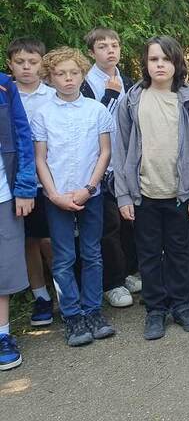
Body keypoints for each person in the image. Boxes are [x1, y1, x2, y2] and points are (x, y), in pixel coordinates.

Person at [114, 36, 189, 341]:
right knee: (149, 255)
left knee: (179, 253)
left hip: (179, 194)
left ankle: (181, 306)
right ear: (145, 63)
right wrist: (123, 195)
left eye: (166, 59)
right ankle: (155, 310)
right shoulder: (132, 100)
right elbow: (120, 149)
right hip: (144, 194)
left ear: (177, 63)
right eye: (154, 59)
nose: (160, 65)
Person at [32, 47, 116, 347]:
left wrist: (89, 188)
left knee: (92, 253)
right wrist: (54, 195)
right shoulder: (43, 114)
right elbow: (40, 158)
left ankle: (93, 310)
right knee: (64, 257)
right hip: (57, 196)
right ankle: (72, 315)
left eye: (74, 72)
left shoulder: (96, 110)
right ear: (50, 77)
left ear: (82, 74)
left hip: (90, 194)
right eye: (60, 74)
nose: (68, 79)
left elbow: (104, 152)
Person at [80, 27, 140, 309]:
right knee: (108, 226)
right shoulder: (84, 83)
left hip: (126, 164)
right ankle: (111, 283)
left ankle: (127, 272)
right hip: (98, 168)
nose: (110, 51)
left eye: (114, 45)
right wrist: (110, 96)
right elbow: (87, 123)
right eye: (103, 46)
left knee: (129, 222)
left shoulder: (127, 80)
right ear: (91, 52)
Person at [6, 38, 55, 327]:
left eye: (33, 62)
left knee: (50, 240)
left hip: (49, 182)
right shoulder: (7, 95)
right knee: (29, 242)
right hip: (19, 184)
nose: (26, 67)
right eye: (20, 62)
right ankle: (41, 297)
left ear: (42, 64)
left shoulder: (52, 95)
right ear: (10, 64)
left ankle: (64, 290)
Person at [0, 71, 36, 370]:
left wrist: (24, 188)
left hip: (3, 193)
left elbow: (23, 136)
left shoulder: (4, 86)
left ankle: (2, 335)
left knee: (4, 268)